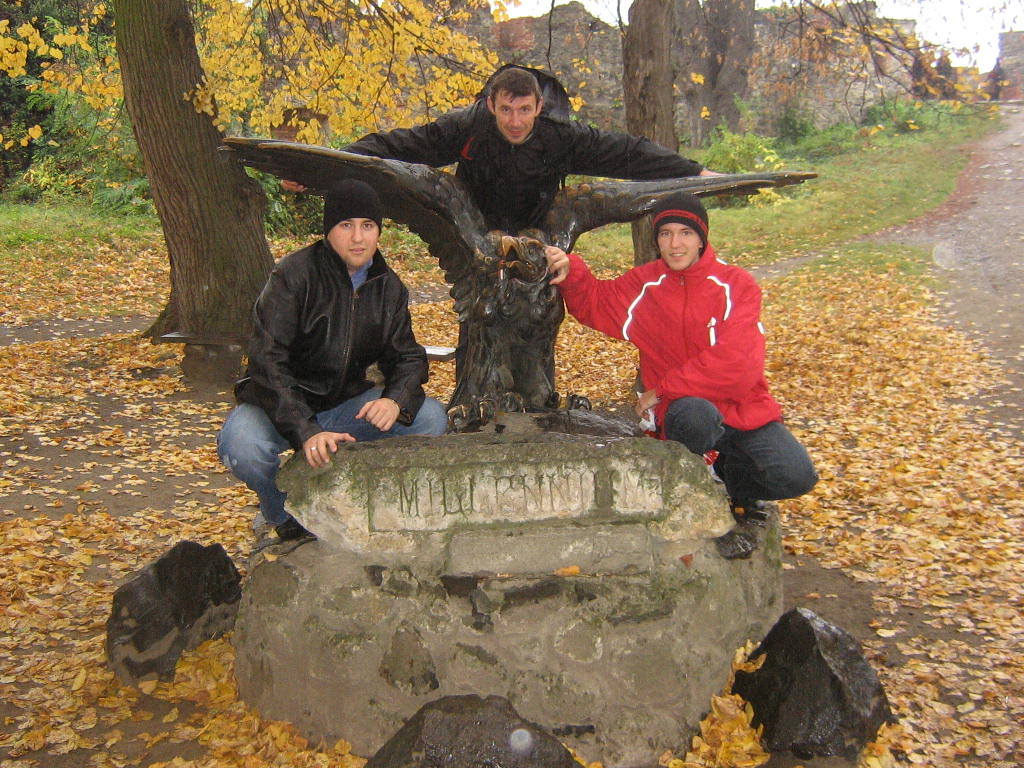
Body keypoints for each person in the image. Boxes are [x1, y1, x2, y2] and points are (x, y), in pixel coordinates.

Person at [544, 192, 817, 516]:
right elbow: (596, 302)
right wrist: (572, 270)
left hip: (742, 409)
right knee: (696, 414)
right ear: (657, 240)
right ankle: (689, 486)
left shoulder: (736, 285)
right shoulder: (646, 286)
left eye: (686, 233)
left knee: (796, 475)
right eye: (665, 233)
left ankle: (722, 477)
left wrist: (663, 389)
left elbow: (739, 365)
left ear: (701, 238)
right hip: (685, 415)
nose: (675, 244)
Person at [218, 179, 449, 540]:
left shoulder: (388, 287)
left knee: (430, 418)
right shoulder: (293, 276)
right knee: (242, 447)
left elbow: (408, 357)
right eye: (346, 225)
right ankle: (283, 515)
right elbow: (267, 360)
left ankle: (364, 505)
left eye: (367, 226)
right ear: (328, 231)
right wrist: (306, 430)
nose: (358, 237)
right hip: (278, 406)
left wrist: (394, 400)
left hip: (345, 405)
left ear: (378, 231)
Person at [287, 66, 719, 233]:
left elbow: (627, 152)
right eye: (506, 110)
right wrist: (320, 168)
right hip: (474, 227)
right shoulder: (466, 127)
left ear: (539, 108)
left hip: (538, 229)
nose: (515, 121)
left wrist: (694, 171)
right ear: (491, 105)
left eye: (524, 110)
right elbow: (399, 145)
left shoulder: (560, 137)